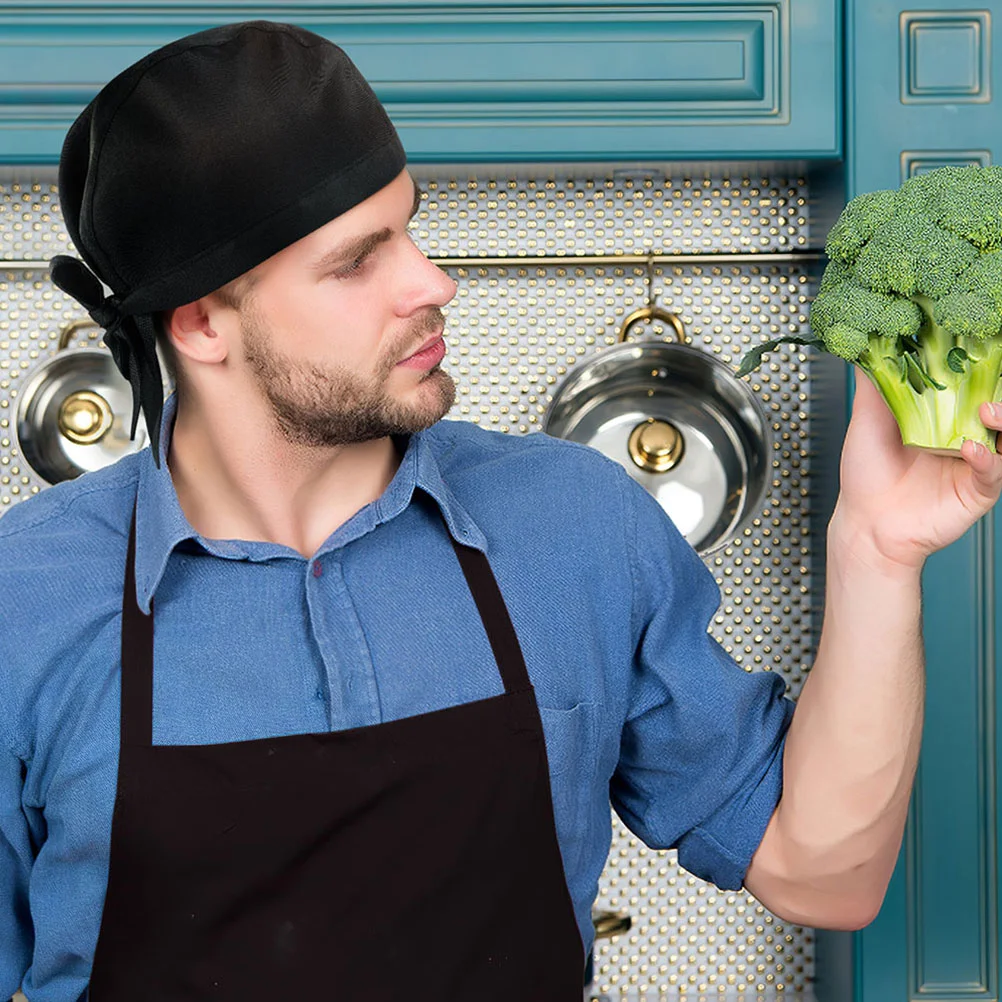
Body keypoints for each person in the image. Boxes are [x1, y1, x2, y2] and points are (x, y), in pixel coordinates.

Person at [1, 19, 1000, 1002]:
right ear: (201, 323)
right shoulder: (25, 602)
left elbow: (825, 873)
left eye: (410, 225)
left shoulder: (572, 526)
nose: (433, 282)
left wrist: (876, 549)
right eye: (357, 261)